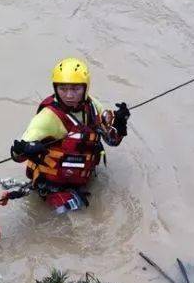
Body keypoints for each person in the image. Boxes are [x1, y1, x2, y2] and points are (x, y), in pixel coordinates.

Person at [10, 58, 130, 213]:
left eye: (75, 89)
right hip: (54, 186)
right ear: (55, 88)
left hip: (84, 177)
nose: (69, 95)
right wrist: (24, 149)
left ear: (86, 88)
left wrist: (119, 125)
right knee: (75, 222)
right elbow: (16, 154)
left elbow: (112, 141)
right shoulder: (47, 118)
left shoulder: (93, 107)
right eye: (63, 89)